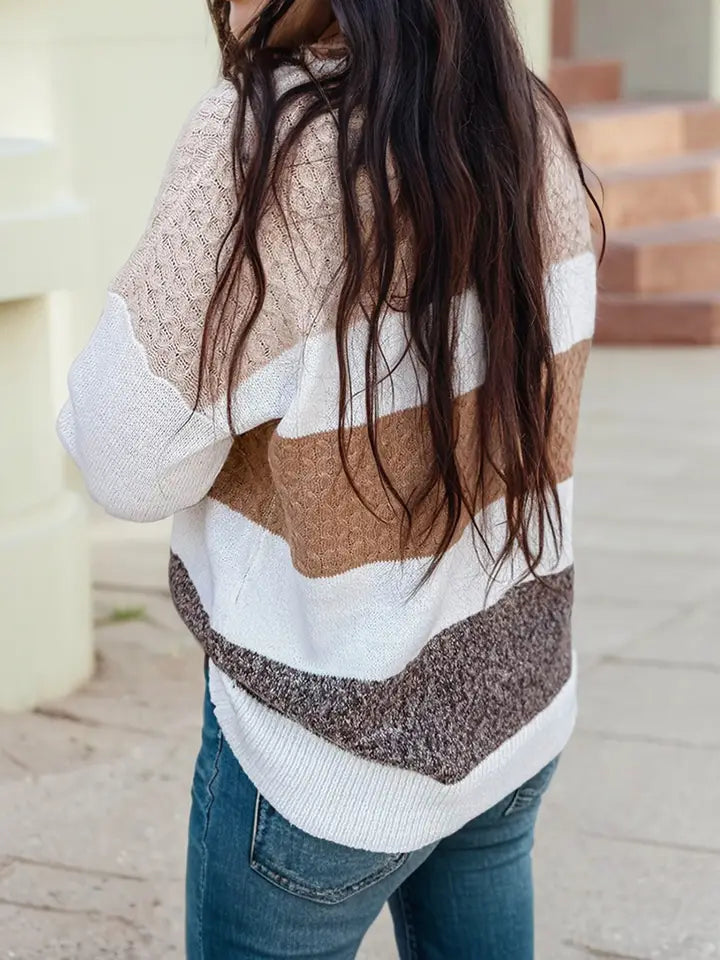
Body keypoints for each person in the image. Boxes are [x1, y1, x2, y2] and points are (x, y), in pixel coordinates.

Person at [58, 0, 599, 956]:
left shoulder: (270, 145)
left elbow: (124, 460)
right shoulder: (531, 120)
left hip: (326, 756)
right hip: (514, 709)